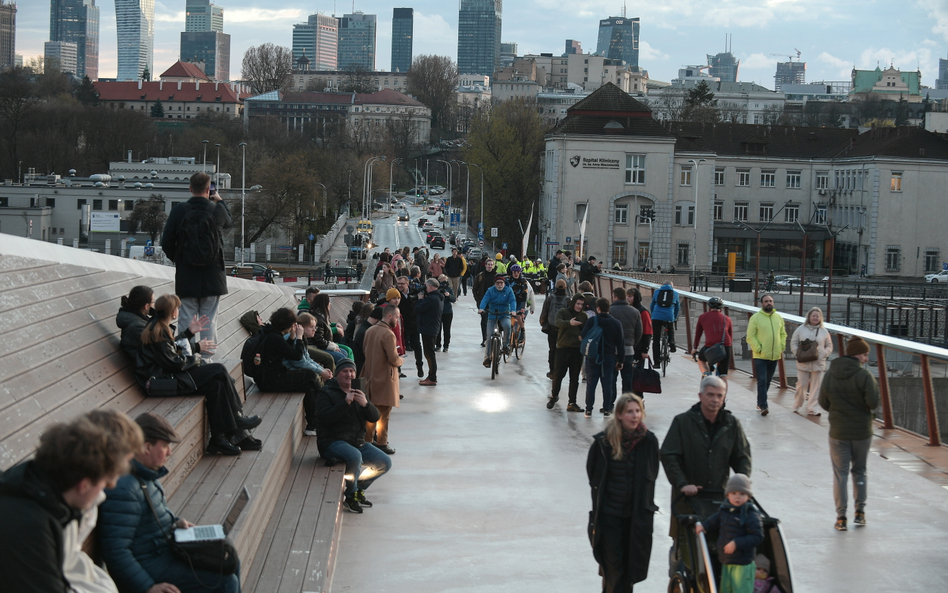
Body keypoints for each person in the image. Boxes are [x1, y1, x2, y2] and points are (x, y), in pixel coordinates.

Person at [0, 411, 142, 593]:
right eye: (105, 481)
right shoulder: (32, 524)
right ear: (83, 485)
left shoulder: (40, 495)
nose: (112, 485)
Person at [98, 413, 240, 593]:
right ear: (146, 447)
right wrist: (148, 587)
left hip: (164, 548)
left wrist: (175, 522)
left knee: (229, 559)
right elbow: (115, 551)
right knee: (226, 582)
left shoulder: (147, 473)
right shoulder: (125, 489)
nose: (169, 452)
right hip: (150, 564)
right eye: (165, 446)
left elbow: (153, 515)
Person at [136, 294, 261, 455]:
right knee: (219, 370)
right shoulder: (158, 332)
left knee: (216, 385)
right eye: (177, 308)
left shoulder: (157, 327)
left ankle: (218, 439)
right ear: (172, 312)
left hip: (165, 378)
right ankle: (236, 418)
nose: (178, 311)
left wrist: (188, 333)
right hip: (164, 381)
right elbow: (175, 363)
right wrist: (195, 359)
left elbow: (170, 351)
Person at [586, 393, 659, 593]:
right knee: (614, 570)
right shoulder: (603, 443)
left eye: (638, 411)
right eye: (629, 412)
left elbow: (651, 475)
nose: (635, 416)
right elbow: (594, 474)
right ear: (619, 415)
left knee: (629, 572)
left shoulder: (649, 441)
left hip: (636, 518)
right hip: (610, 518)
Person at [660, 376, 752, 530]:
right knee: (685, 545)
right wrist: (682, 484)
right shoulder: (682, 422)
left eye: (719, 395)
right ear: (700, 396)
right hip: (687, 499)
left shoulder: (731, 424)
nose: (715, 399)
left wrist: (741, 487)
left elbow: (742, 457)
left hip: (719, 497)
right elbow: (668, 455)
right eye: (710, 395)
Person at [160, 171, 232, 345]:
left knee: (186, 318)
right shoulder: (217, 210)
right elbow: (229, 222)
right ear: (209, 189)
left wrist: (180, 260)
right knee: (209, 321)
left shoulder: (179, 211)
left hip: (187, 275)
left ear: (190, 188)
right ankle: (207, 358)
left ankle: (187, 353)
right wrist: (220, 200)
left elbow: (166, 242)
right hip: (213, 276)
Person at [315, 358, 392, 514]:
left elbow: (374, 417)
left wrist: (366, 404)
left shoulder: (359, 391)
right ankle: (349, 496)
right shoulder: (326, 392)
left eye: (351, 371)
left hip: (356, 441)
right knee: (354, 456)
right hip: (332, 441)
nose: (349, 375)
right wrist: (345, 403)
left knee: (384, 462)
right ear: (337, 374)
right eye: (345, 371)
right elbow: (324, 419)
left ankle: (358, 489)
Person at [818, 336, 879, 531]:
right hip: (862, 432)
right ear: (857, 354)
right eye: (865, 354)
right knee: (859, 471)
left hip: (838, 432)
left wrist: (837, 412)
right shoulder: (865, 376)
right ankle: (860, 513)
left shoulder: (830, 374)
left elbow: (822, 401)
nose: (866, 359)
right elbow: (873, 403)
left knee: (840, 475)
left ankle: (841, 517)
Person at [256, 308, 323, 437]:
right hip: (272, 380)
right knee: (309, 375)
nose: (294, 326)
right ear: (287, 324)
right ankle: (324, 404)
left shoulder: (271, 334)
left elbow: (284, 350)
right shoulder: (275, 338)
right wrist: (298, 337)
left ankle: (312, 425)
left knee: (309, 386)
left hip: (268, 379)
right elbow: (297, 356)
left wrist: (292, 337)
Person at [696, 473, 764, 593]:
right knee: (726, 589)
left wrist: (736, 543)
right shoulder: (725, 510)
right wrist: (704, 526)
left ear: (748, 496)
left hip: (742, 563)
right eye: (734, 493)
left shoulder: (751, 514)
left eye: (742, 494)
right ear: (728, 495)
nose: (737, 497)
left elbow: (757, 536)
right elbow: (715, 520)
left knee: (741, 590)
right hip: (726, 560)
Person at [361, 304, 402, 455]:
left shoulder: (369, 330)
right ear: (389, 316)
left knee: (370, 413)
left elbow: (365, 351)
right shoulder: (388, 334)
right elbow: (393, 358)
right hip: (384, 378)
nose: (397, 320)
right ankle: (382, 443)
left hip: (370, 376)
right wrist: (401, 360)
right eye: (396, 317)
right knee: (384, 415)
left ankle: (367, 441)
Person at [580, 298, 624, 418]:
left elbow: (582, 336)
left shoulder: (592, 321)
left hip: (593, 357)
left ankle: (588, 409)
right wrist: (620, 360)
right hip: (609, 358)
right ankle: (607, 408)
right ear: (608, 308)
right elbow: (620, 343)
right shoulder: (616, 323)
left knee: (591, 384)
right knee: (607, 384)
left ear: (598, 308)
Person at [746, 294, 787, 416]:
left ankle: (760, 402)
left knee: (768, 381)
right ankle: (763, 405)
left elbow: (783, 334)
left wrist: (782, 346)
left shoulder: (778, 317)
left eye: (770, 301)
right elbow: (750, 336)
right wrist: (758, 348)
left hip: (774, 355)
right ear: (761, 304)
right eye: (766, 301)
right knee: (762, 380)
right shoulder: (756, 318)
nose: (768, 303)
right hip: (760, 355)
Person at [790, 307, 834, 416]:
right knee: (801, 384)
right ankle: (797, 404)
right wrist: (797, 353)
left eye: (817, 316)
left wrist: (824, 354)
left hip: (818, 363)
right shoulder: (801, 329)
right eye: (813, 316)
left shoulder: (824, 331)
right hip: (803, 363)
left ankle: (813, 408)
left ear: (820, 318)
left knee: (816, 387)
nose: (815, 318)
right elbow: (793, 342)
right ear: (809, 316)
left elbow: (829, 345)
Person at [548, 293, 587, 411]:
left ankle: (572, 402)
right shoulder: (563, 312)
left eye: (582, 304)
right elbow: (558, 322)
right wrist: (569, 323)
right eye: (578, 303)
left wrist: (583, 336)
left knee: (574, 377)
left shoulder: (583, 316)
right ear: (573, 302)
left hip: (576, 350)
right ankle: (554, 396)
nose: (579, 306)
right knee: (558, 375)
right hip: (562, 348)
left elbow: (587, 329)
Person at [692, 296, 734, 385]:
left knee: (701, 359)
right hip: (725, 346)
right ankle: (722, 397)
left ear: (709, 307)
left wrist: (694, 348)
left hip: (710, 345)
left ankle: (706, 373)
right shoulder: (728, 319)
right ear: (721, 309)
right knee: (723, 375)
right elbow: (730, 337)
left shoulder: (703, 317)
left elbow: (698, 334)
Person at [610, 287, 643, 395]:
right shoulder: (635, 312)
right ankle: (626, 403)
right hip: (628, 350)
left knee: (611, 379)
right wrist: (632, 343)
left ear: (615, 297)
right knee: (627, 379)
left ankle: (609, 404)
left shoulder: (610, 311)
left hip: (612, 350)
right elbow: (639, 332)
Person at [479, 275, 516, 367]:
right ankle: (487, 358)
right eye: (497, 283)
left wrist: (513, 310)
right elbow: (485, 300)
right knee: (489, 337)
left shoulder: (508, 290)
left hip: (504, 314)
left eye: (501, 283)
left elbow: (512, 301)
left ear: (504, 283)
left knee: (507, 326)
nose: (499, 285)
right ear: (495, 284)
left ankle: (505, 346)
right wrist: (481, 308)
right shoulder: (490, 290)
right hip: (492, 314)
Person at [414, 278, 444, 386]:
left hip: (428, 328)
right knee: (429, 353)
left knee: (429, 354)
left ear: (430, 287)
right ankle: (431, 376)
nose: (425, 288)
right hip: (432, 327)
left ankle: (432, 378)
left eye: (426, 286)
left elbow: (418, 309)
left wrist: (420, 299)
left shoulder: (432, 299)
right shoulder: (438, 297)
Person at [539, 279, 571, 378]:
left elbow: (544, 314)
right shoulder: (568, 300)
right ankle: (559, 371)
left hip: (552, 328)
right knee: (561, 351)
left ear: (555, 287)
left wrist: (544, 323)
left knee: (552, 350)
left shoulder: (550, 298)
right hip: (563, 329)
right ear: (565, 288)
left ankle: (552, 371)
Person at [116, 285, 155, 361]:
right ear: (146, 306)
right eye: (153, 302)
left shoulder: (133, 317)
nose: (153, 305)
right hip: (145, 367)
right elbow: (160, 346)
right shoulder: (138, 326)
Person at [650, 281, 680, 360]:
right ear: (672, 286)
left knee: (656, 339)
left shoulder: (657, 292)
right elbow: (677, 307)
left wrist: (653, 315)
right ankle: (672, 342)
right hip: (669, 316)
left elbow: (652, 305)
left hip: (656, 317)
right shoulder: (675, 293)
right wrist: (674, 318)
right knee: (670, 328)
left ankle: (656, 361)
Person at [472, 258, 498, 346]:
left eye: (491, 264)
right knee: (484, 321)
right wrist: (478, 299)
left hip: (495, 302)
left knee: (495, 320)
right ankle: (485, 339)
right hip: (483, 302)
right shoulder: (480, 276)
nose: (490, 266)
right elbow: (474, 289)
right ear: (485, 265)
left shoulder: (496, 276)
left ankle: (495, 338)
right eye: (488, 264)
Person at [434, 274, 456, 352]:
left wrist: (448, 295)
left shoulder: (449, 289)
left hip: (447, 312)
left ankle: (446, 345)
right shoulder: (437, 290)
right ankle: (438, 344)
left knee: (447, 330)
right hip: (439, 312)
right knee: (437, 329)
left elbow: (454, 299)